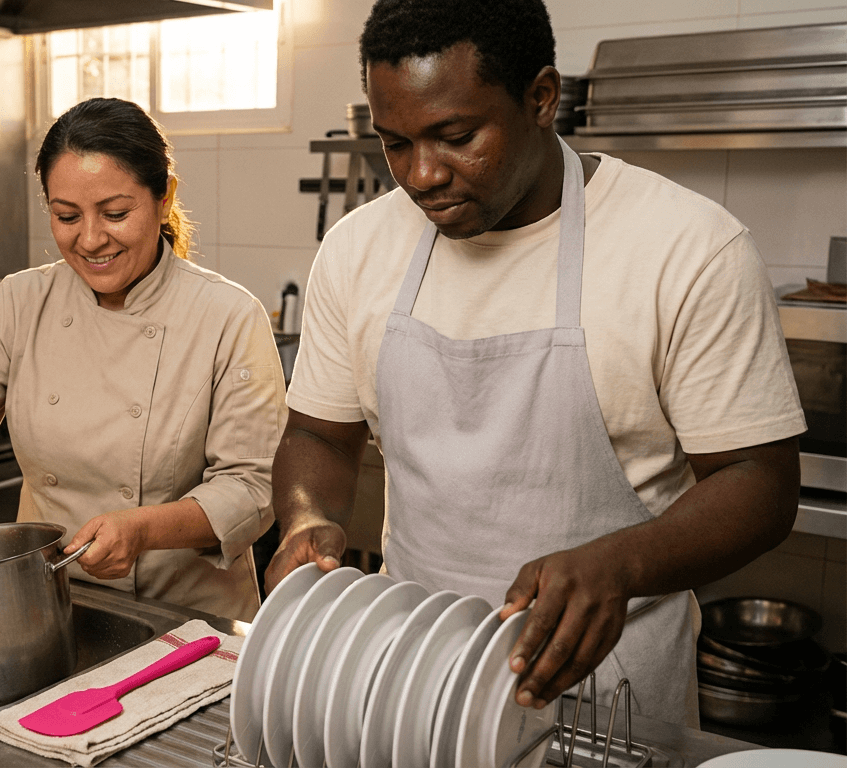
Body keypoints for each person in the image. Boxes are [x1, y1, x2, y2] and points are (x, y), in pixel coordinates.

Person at [265, 0, 805, 727]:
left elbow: (760, 483)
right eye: (394, 143)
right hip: (415, 676)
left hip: (610, 699)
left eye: (455, 137)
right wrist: (306, 519)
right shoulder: (358, 249)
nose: (420, 175)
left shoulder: (687, 248)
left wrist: (623, 563)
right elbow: (321, 436)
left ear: (542, 98)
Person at [0, 97, 286, 622]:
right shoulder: (21, 302)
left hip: (185, 624)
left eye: (116, 214)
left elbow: (252, 488)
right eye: (66, 216)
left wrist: (142, 530)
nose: (90, 240)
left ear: (165, 199)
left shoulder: (229, 315)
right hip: (49, 608)